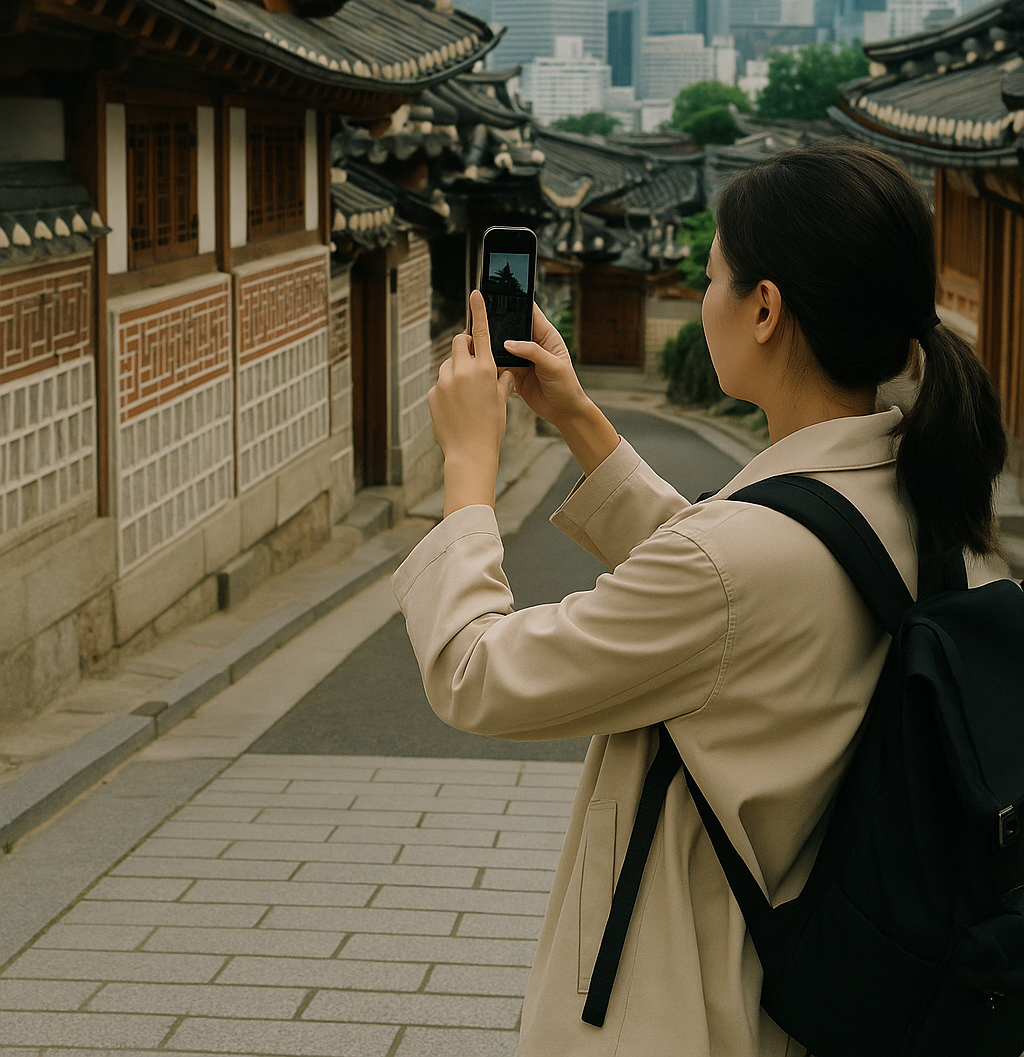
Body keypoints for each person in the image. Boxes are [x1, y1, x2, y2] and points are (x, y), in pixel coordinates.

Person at [391, 144, 1009, 1056]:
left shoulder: (737, 561)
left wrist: (468, 469)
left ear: (765, 309)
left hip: (684, 1013)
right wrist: (576, 416)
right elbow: (749, 587)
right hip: (820, 992)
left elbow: (478, 674)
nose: (704, 294)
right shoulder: (924, 502)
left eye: (713, 276)